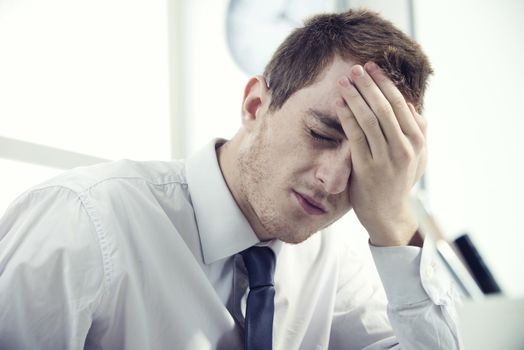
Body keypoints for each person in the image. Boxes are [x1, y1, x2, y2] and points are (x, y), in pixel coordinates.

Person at [0, 9, 461, 350]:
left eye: (366, 160)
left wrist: (393, 219)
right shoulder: (83, 223)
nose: (333, 180)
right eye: (321, 133)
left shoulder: (334, 266)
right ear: (256, 106)